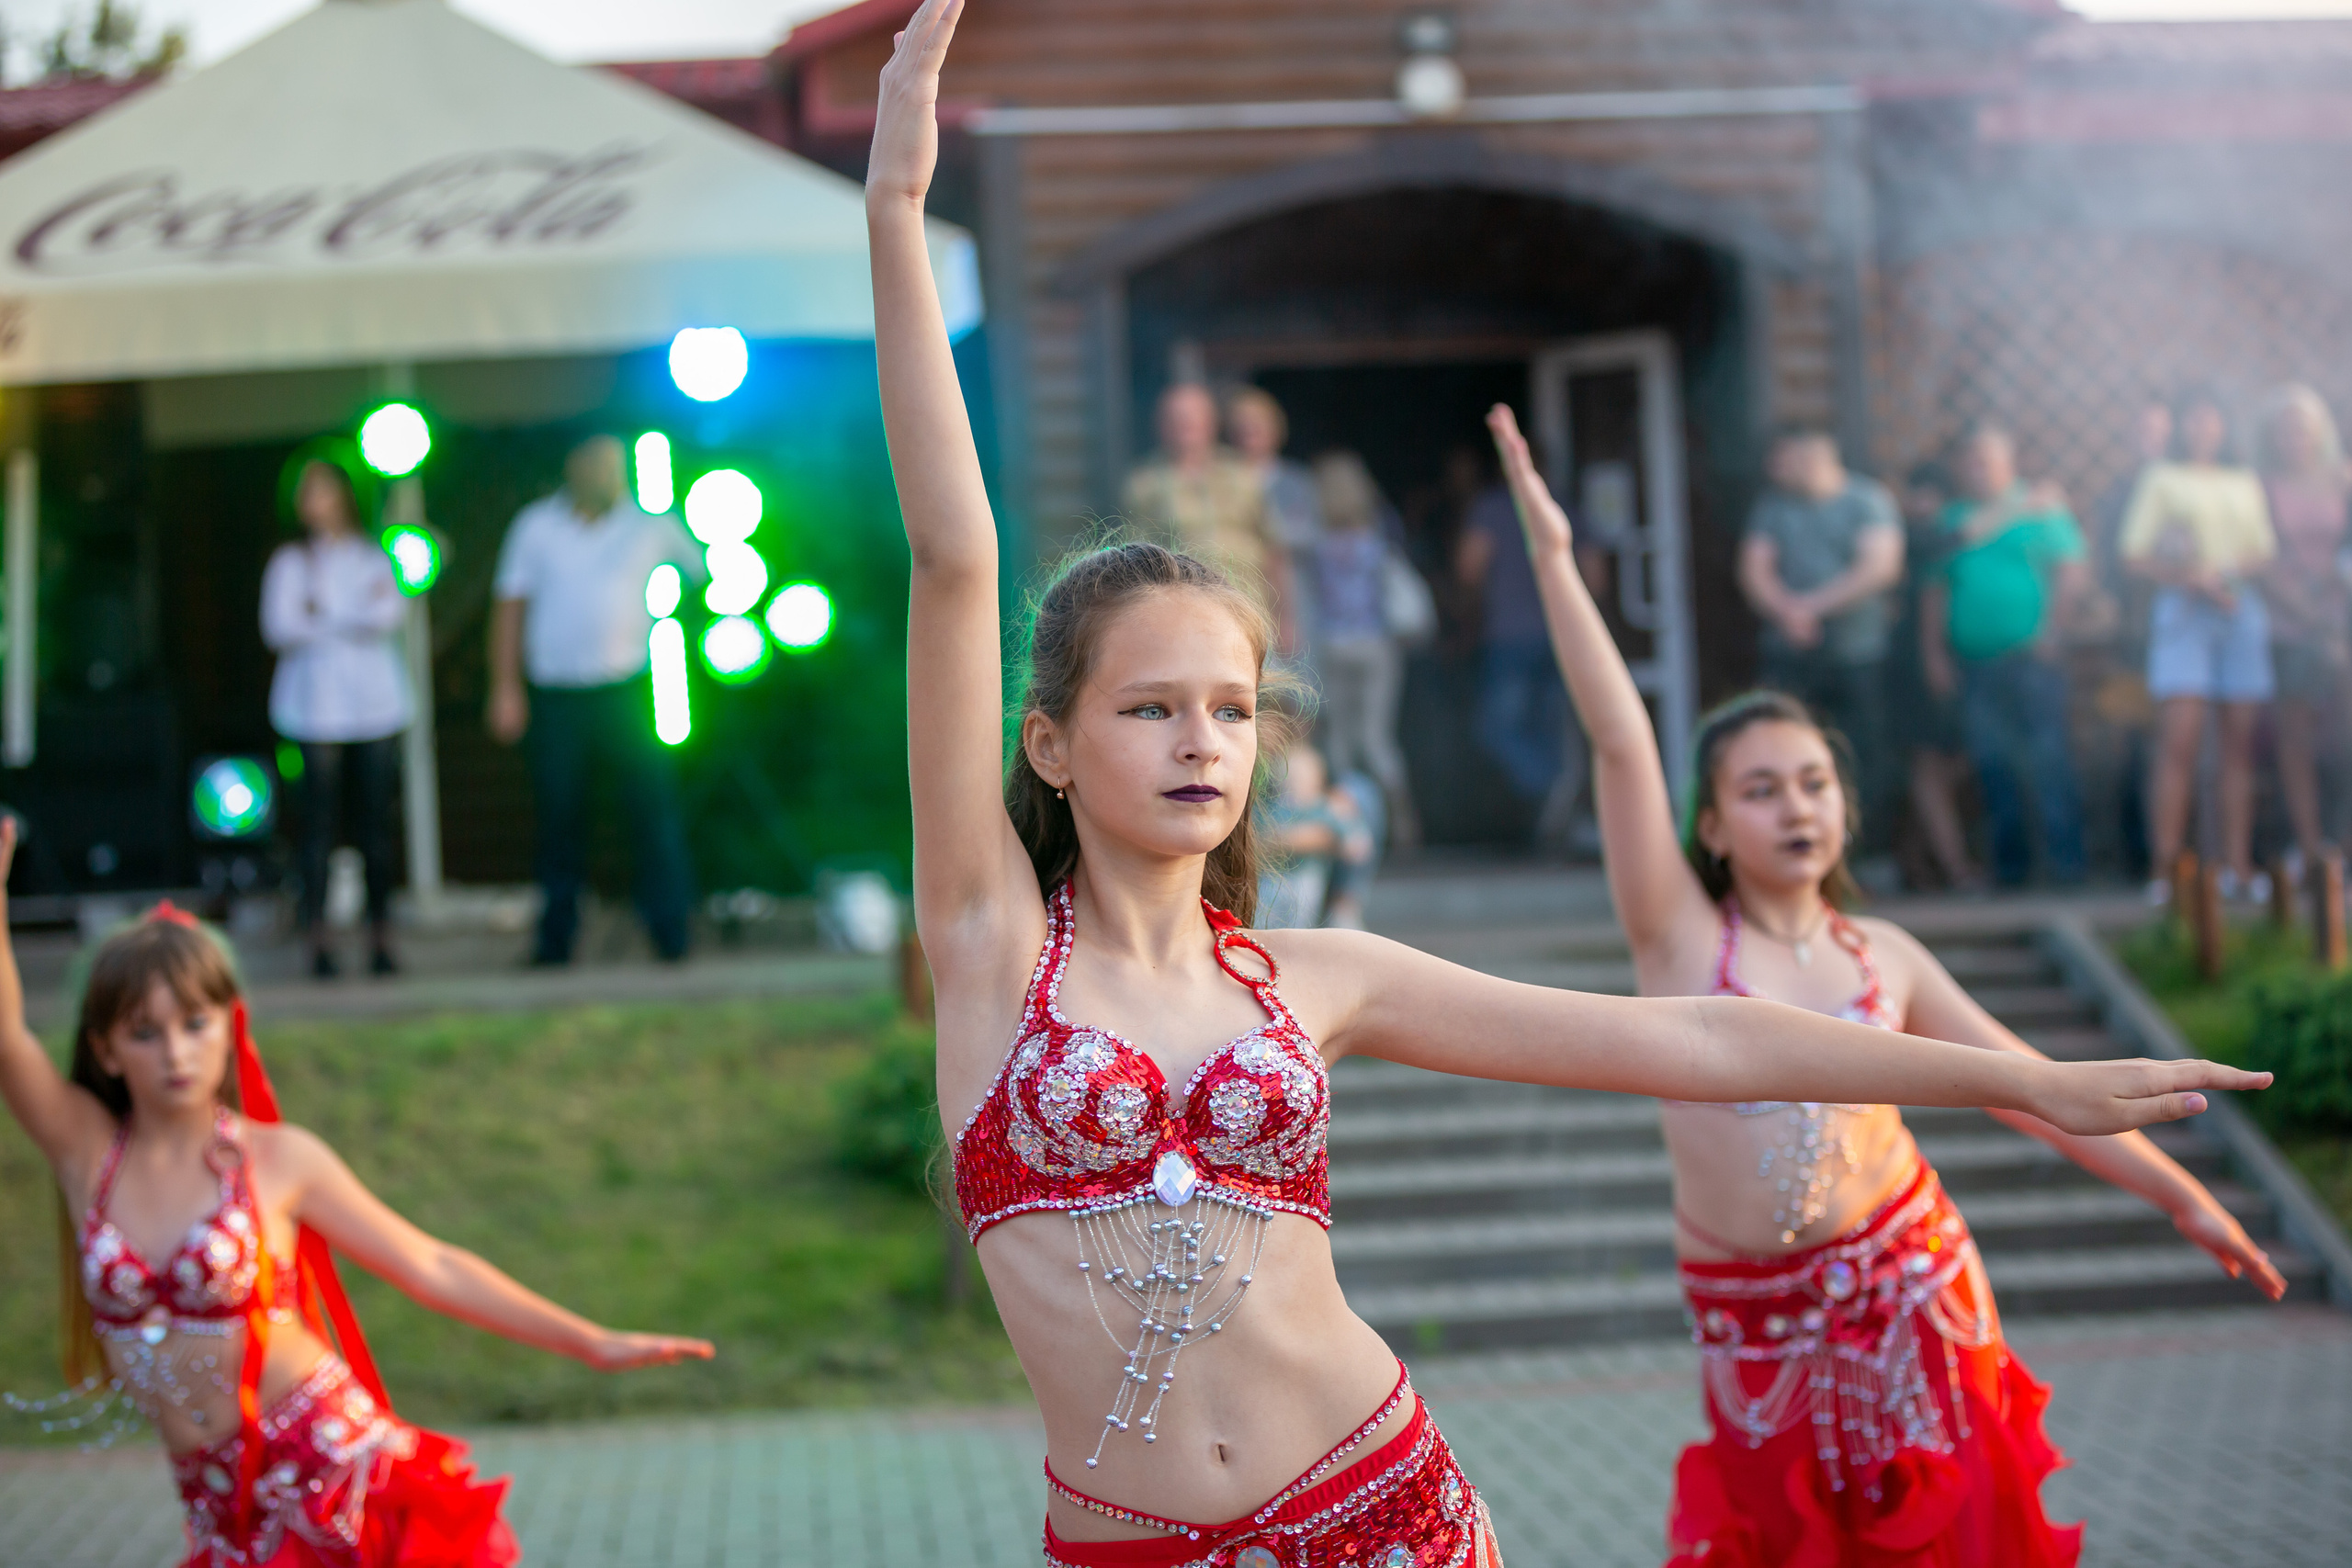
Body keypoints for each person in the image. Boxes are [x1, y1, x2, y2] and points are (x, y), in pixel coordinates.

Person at [867, 14, 2267, 1564]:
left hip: (1382, 1505)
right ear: (1050, 741)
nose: (1204, 740)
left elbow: (1692, 1036)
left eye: (1235, 708)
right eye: (1150, 707)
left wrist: (2026, 1085)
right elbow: (956, 557)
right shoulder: (992, 944)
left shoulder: (1315, 980)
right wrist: (895, 216)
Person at [1483, 400, 2285, 1568]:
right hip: (1755, 1329)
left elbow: (2028, 1085)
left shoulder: (1886, 956)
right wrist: (1558, 560)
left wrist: (2182, 1198)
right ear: (1709, 821)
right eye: (1760, 790)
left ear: (1843, 806)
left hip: (1915, 1290)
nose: (1794, 806)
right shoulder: (1672, 938)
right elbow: (1618, 740)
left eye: (1813, 782)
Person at [0, 833, 712, 1568]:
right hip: (218, 1509)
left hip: (333, 1476)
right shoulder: (87, 1153)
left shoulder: (277, 1158)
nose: (175, 1052)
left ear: (230, 1023)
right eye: (145, 1033)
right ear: (107, 1049)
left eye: (194, 1022)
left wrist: (588, 1340)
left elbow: (430, 1263)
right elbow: (6, 1035)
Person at [487, 435, 705, 965]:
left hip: (628, 691)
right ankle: (555, 943)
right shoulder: (535, 526)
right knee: (560, 818)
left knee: (652, 811)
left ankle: (670, 936)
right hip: (557, 694)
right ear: (573, 464)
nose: (608, 473)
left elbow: (704, 580)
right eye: (597, 463)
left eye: (615, 464)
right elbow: (509, 607)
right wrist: (505, 687)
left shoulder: (650, 525)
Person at [2120, 389, 2278, 904]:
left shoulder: (2243, 479)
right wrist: (2192, 577)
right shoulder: (2161, 479)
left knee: (2238, 746)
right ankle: (2166, 868)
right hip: (2185, 613)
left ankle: (2237, 864)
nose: (2203, 427)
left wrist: (2225, 576)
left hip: (2238, 610)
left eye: (2212, 417)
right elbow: (2133, 555)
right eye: (2194, 418)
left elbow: (2263, 551)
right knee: (2179, 741)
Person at [260, 451, 410, 980]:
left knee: (374, 824)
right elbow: (280, 626)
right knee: (317, 827)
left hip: (375, 708)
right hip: (313, 709)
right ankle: (318, 940)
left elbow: (389, 614)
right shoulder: (290, 563)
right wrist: (349, 617)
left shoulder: (374, 557)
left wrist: (323, 613)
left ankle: (381, 937)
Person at [1921, 423, 2091, 886]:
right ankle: (2010, 873)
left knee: (2047, 759)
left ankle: (2066, 869)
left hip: (2033, 659)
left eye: (1988, 460)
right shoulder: (1951, 521)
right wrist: (1934, 653)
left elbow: (2071, 575)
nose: (1978, 469)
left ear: (2008, 463)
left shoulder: (2042, 511)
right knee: (1992, 764)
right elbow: (1934, 591)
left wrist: (2053, 632)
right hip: (1975, 662)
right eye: (1971, 460)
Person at [1737, 428, 1904, 842]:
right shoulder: (1773, 507)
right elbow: (1754, 568)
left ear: (1812, 457)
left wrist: (1814, 607)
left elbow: (1880, 566)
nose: (1772, 469)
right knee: (1784, 750)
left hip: (1857, 654)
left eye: (1781, 458)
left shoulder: (1866, 501)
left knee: (1860, 755)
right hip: (1791, 654)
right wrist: (1786, 611)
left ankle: (1866, 853)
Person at [1454, 459, 1595, 849]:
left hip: (1510, 636)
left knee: (1496, 727)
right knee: (1547, 729)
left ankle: (1547, 783)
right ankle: (1554, 792)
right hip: (1560, 638)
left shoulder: (1493, 508)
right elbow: (1595, 577)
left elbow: (1470, 567)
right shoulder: (1563, 508)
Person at [2256, 385, 2352, 881]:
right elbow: (2258, 557)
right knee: (2295, 737)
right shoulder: (2262, 485)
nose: (2296, 438)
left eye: (2304, 429)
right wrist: (2304, 610)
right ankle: (2308, 844)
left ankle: (2345, 842)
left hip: (2341, 622)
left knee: (2344, 735)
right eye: (2286, 430)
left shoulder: (2343, 480)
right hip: (2288, 623)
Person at [1122, 382, 1295, 648]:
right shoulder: (1144, 485)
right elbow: (1136, 562)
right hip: (1182, 620)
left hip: (1248, 609)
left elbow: (1274, 550)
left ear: (1211, 423)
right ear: (1162, 426)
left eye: (1193, 419)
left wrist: (1284, 618)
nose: (1186, 427)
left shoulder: (1244, 474)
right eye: (1177, 420)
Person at [1308, 451, 1419, 847]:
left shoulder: (1313, 541)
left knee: (1338, 740)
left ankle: (1353, 825)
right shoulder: (1379, 536)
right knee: (1376, 739)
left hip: (1333, 645)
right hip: (1376, 644)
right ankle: (1400, 821)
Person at [1887, 459, 1981, 890]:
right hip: (1914, 667)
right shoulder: (1912, 537)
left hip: (1963, 662)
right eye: (1916, 494)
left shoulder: (1937, 536)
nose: (1921, 504)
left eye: (1931, 496)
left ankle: (1918, 855)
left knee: (1955, 764)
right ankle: (1951, 864)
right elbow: (1957, 539)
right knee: (1927, 763)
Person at [1226, 388, 1322, 655]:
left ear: (1276, 431)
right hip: (1240, 586)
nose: (1249, 438)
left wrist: (1269, 535)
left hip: (1292, 590)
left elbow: (1311, 534)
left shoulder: (1295, 481)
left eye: (1257, 429)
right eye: (1242, 430)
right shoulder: (1220, 479)